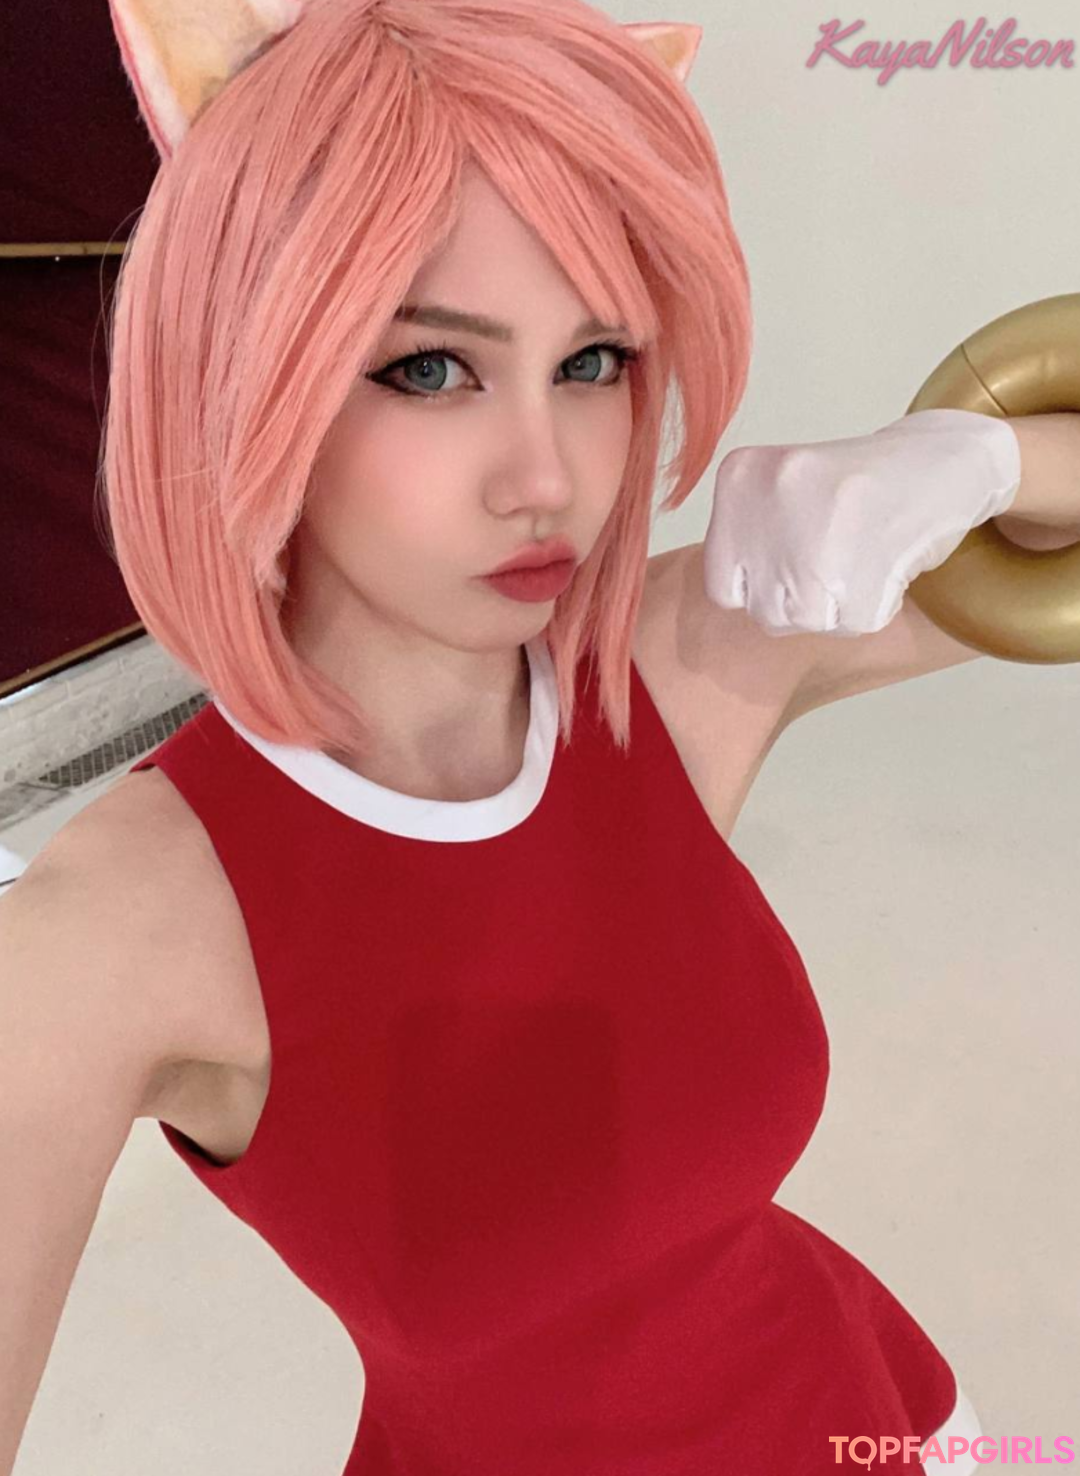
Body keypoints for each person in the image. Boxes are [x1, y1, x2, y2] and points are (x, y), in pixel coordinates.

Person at [4, 0, 1073, 1471]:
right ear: (238, 371)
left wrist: (981, 457)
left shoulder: (673, 667)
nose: (547, 478)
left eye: (594, 361)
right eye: (429, 369)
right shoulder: (118, 929)